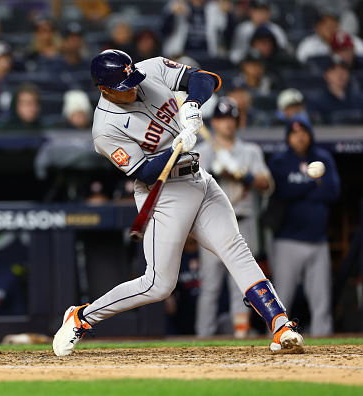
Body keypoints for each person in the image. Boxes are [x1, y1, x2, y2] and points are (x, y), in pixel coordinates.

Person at [52, 49, 304, 356]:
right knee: (158, 284)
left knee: (235, 248)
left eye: (132, 80)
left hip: (199, 178)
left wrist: (193, 105)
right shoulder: (105, 129)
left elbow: (205, 78)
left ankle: (281, 325)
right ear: (103, 89)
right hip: (163, 192)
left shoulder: (152, 69)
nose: (132, 88)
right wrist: (176, 148)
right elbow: (142, 170)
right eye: (123, 86)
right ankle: (81, 317)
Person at [194, 97, 273, 338]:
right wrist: (216, 173)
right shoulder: (202, 151)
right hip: (211, 224)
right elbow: (190, 189)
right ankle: (202, 337)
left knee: (243, 283)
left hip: (242, 222)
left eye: (231, 119)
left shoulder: (250, 151)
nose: (227, 123)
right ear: (214, 123)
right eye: (222, 119)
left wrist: (243, 175)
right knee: (210, 286)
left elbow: (266, 183)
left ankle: (241, 335)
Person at [267, 115, 341, 336]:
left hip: (318, 241)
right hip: (287, 241)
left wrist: (300, 186)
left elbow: (333, 192)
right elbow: (284, 192)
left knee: (322, 302)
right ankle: (276, 340)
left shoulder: (323, 158)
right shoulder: (279, 161)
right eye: (294, 133)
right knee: (280, 302)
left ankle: (324, 345)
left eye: (304, 132)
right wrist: (313, 183)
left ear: (310, 134)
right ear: (288, 136)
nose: (299, 137)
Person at [160, 0, 236, 59]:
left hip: (207, 54)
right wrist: (172, 14)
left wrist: (227, 15)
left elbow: (226, 34)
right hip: (182, 54)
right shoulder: (177, 5)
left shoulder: (214, 8)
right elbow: (164, 31)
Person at [229, 0, 290, 65]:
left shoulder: (276, 30)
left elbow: (283, 53)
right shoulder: (242, 29)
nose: (261, 14)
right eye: (258, 11)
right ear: (251, 12)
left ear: (269, 12)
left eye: (264, 11)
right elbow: (234, 54)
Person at [306, 55, 363, 124]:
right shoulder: (316, 101)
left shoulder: (359, 99)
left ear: (348, 74)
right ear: (326, 75)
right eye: (334, 71)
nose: (339, 74)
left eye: (343, 70)